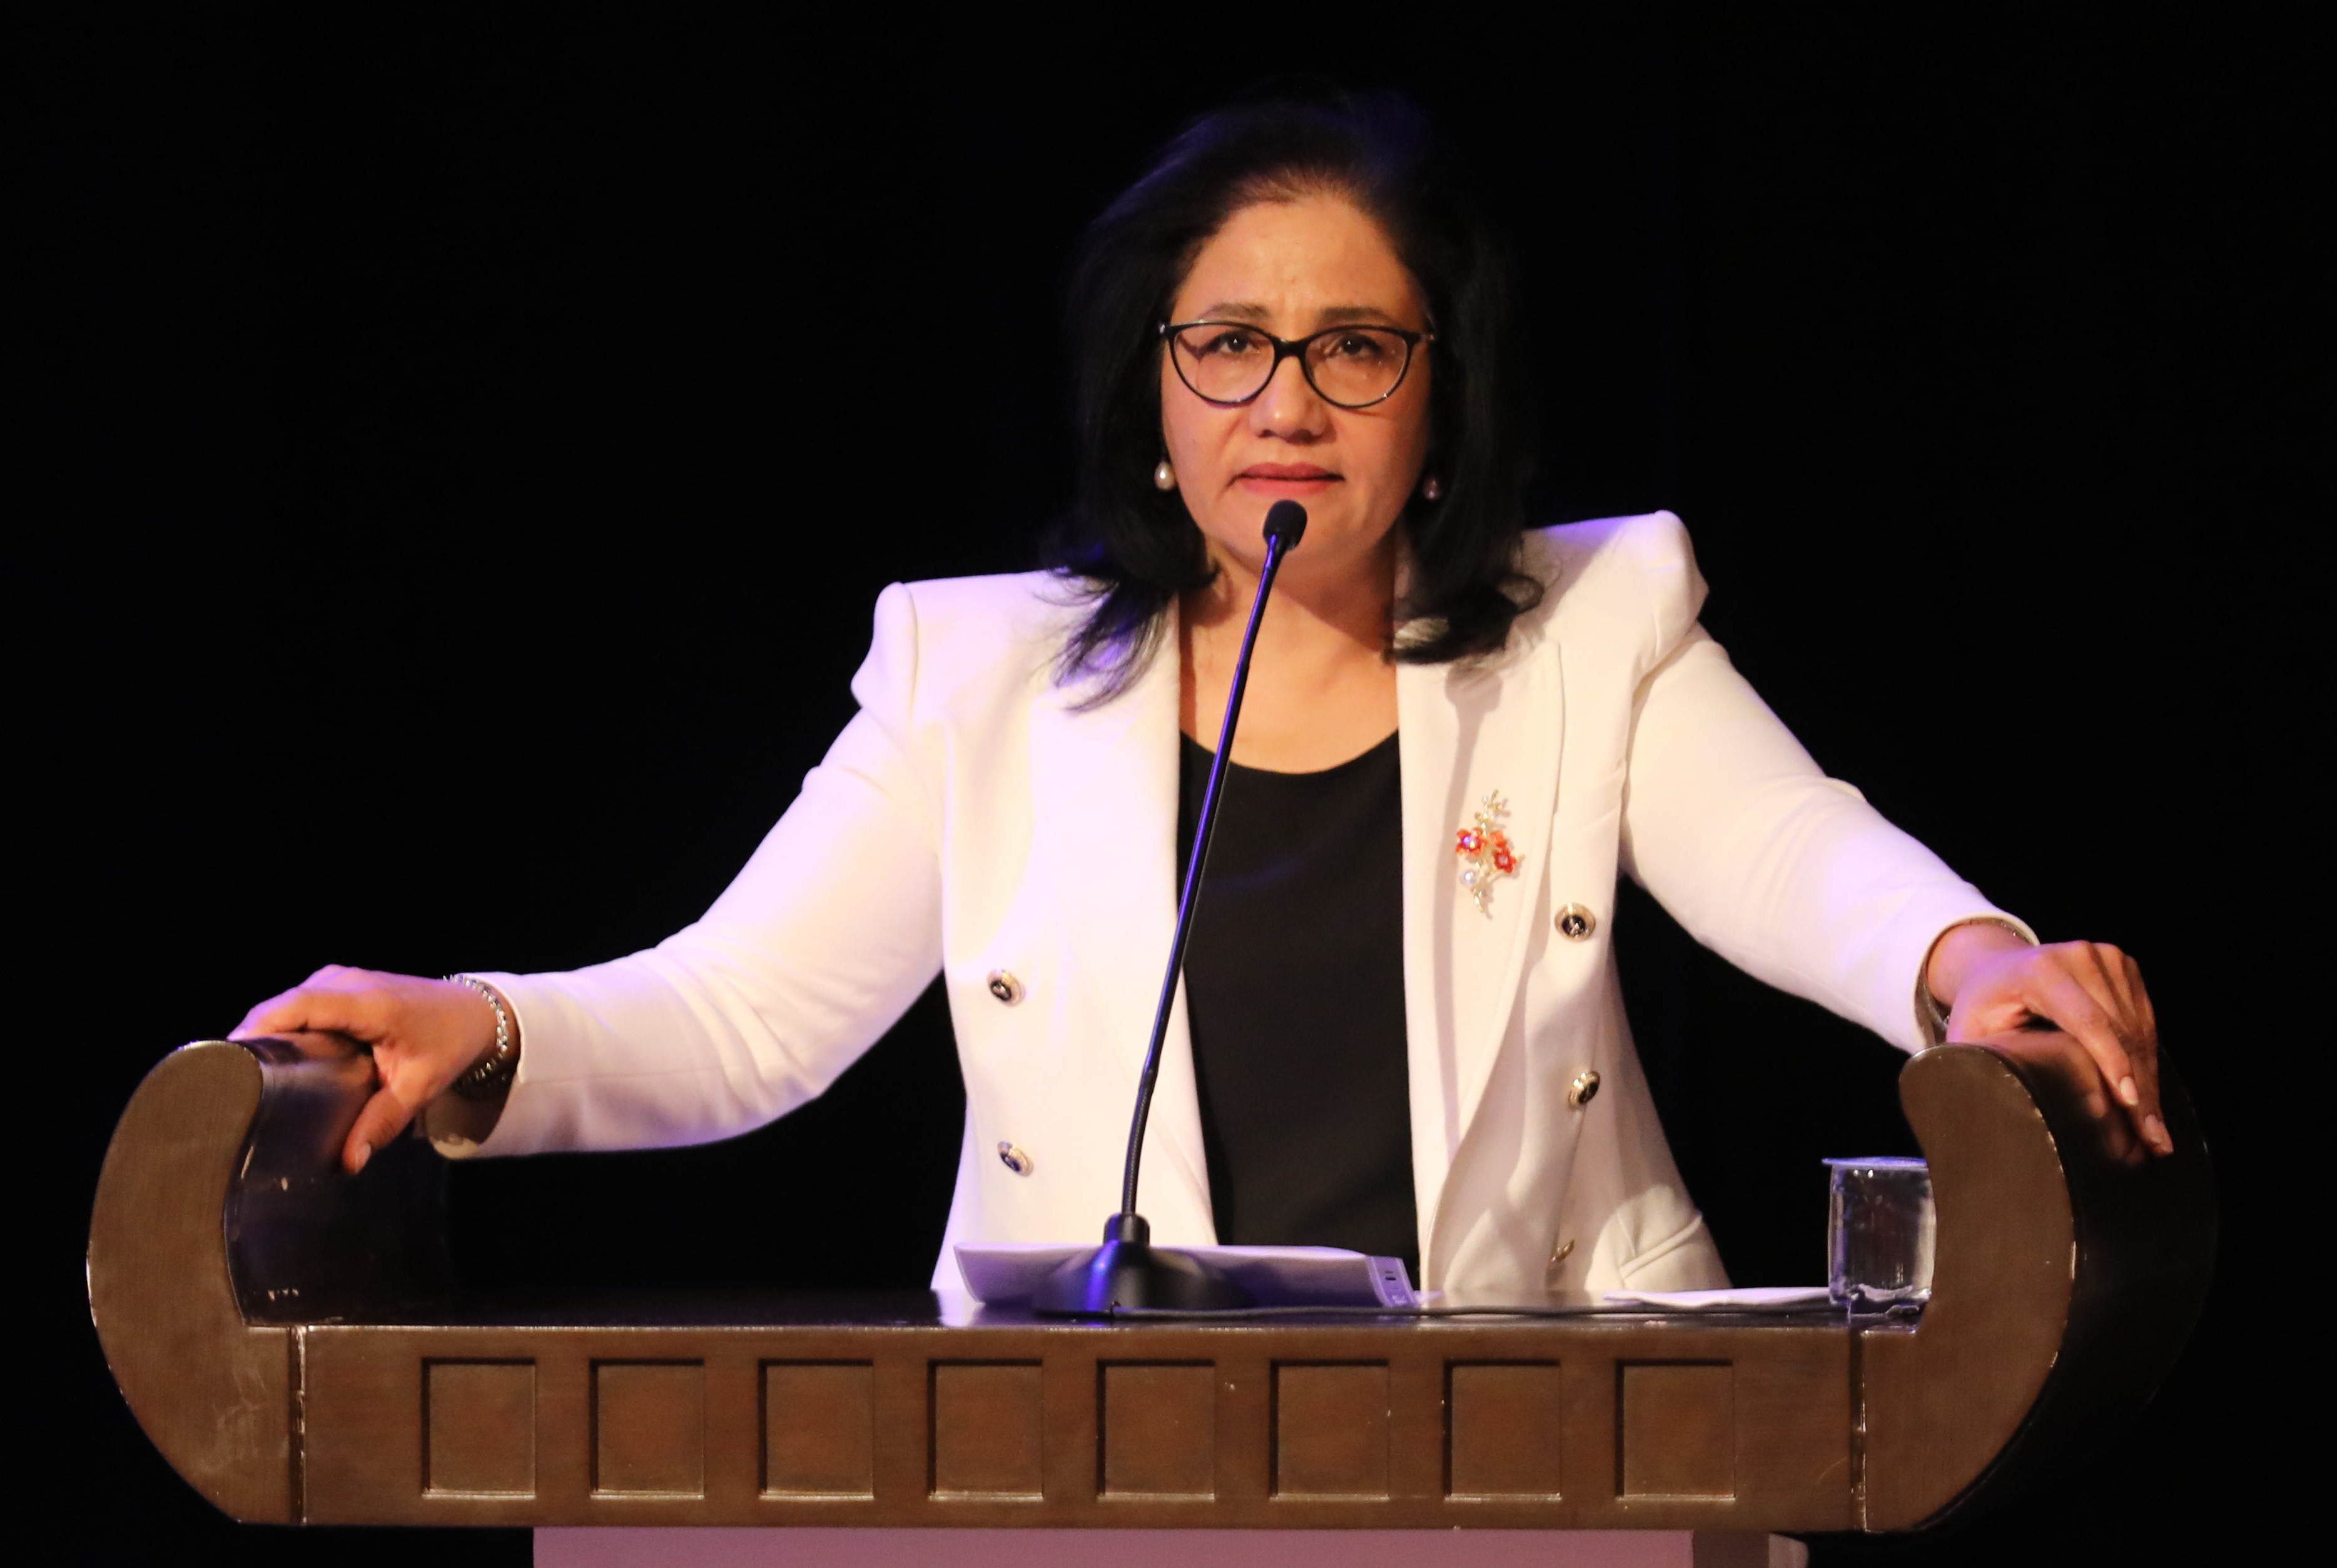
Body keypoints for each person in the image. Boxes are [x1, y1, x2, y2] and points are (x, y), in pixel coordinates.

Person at [235, 94, 2166, 1305]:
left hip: (1556, 1472)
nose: (1287, 402)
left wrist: (1972, 963)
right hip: (1101, 1482)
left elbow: (1806, 859)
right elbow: (740, 1016)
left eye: (1355, 347)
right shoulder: (978, 676)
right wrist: (479, 1030)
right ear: (1154, 395)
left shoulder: (1592, 631)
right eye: (1230, 343)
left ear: (1442, 399)